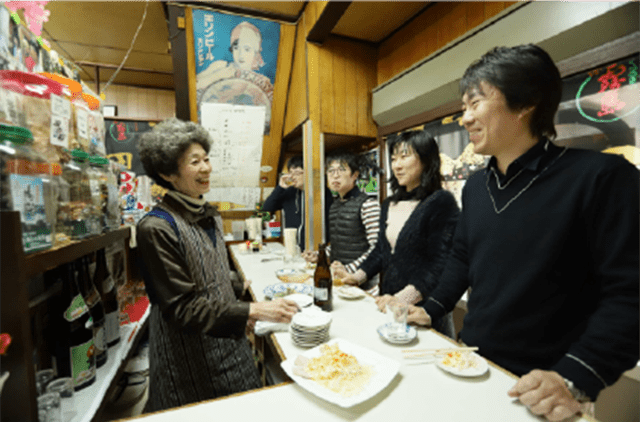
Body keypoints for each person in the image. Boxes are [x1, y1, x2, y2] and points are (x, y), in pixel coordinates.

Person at [406, 45, 639, 421]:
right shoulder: (476, 187)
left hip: (549, 386)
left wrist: (575, 376)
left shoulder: (602, 177)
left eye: (475, 103)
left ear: (526, 101)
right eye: (463, 107)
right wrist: (429, 309)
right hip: (473, 364)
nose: (464, 118)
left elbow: (630, 294)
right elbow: (463, 258)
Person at [136, 119, 299, 412]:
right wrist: (253, 309)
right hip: (187, 355)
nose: (206, 168)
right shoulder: (156, 228)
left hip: (228, 343)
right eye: (194, 162)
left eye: (206, 159)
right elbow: (182, 308)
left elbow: (209, 271)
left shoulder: (210, 215)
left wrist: (238, 286)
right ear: (167, 173)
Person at [334, 131, 460, 338]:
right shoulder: (389, 204)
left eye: (405, 156)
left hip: (423, 309)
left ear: (427, 160)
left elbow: (440, 264)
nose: (397, 165)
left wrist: (403, 299)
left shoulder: (441, 202)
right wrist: (355, 277)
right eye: (393, 159)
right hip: (390, 302)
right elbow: (380, 252)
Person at [303, 151, 381, 294]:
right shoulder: (335, 205)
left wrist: (349, 269)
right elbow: (338, 244)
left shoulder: (369, 204)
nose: (335, 175)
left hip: (363, 286)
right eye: (331, 171)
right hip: (340, 283)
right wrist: (319, 256)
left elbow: (377, 248)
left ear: (355, 175)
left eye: (341, 170)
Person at [262, 155, 332, 250]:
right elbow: (267, 207)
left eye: (297, 173)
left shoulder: (322, 193)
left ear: (308, 174)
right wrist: (280, 187)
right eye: (290, 173)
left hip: (314, 249)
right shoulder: (289, 192)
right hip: (292, 247)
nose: (292, 177)